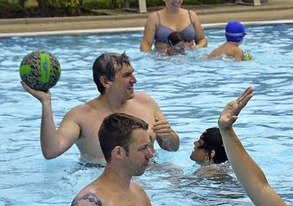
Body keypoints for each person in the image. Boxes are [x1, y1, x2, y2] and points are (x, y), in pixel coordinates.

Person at [21, 52, 180, 163]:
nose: (134, 80)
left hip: (152, 174)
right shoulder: (80, 116)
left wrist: (168, 136)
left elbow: (172, 148)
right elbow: (51, 151)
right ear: (105, 82)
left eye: (132, 73)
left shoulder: (146, 102)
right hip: (103, 180)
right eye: (126, 76)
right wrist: (46, 103)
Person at [62, 113, 155, 206]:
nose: (150, 154)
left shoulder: (139, 192)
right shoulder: (89, 202)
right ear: (118, 153)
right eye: (142, 148)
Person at [140, 0, 207, 54]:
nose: (176, 0)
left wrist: (197, 47)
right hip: (163, 60)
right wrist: (151, 58)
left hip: (188, 59)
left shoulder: (191, 15)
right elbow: (145, 44)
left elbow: (202, 40)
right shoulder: (154, 18)